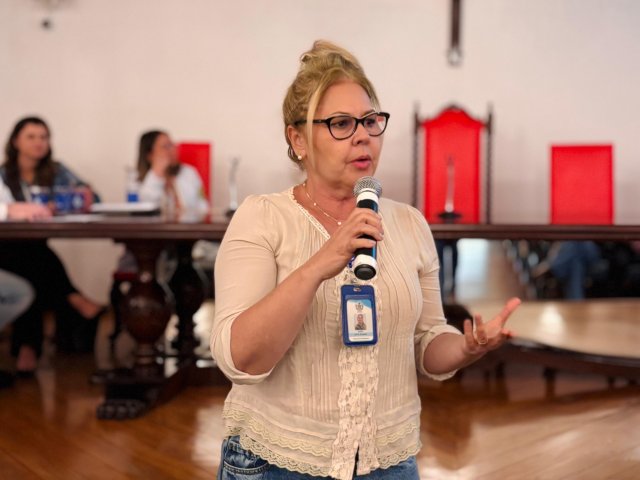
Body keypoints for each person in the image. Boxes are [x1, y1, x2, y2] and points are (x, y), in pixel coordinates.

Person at [211, 40, 521, 480]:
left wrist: (466, 349)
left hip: (388, 464)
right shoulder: (263, 217)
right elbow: (240, 359)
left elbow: (428, 342)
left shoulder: (409, 223)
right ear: (297, 139)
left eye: (371, 121)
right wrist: (320, 264)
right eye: (341, 123)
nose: (363, 136)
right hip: (277, 461)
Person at [0, 116, 105, 374]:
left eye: (43, 137)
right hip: (6, 246)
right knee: (32, 258)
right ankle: (76, 299)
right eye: (31, 137)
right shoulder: (4, 175)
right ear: (16, 141)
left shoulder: (56, 171)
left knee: (31, 260)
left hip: (29, 246)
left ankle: (28, 346)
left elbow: (93, 198)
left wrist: (77, 197)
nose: (38, 142)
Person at [136, 130, 209, 216]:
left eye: (172, 145)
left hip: (189, 223)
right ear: (150, 155)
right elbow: (145, 207)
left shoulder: (189, 172)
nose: (173, 150)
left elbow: (203, 205)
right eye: (166, 146)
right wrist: (157, 174)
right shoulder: (137, 179)